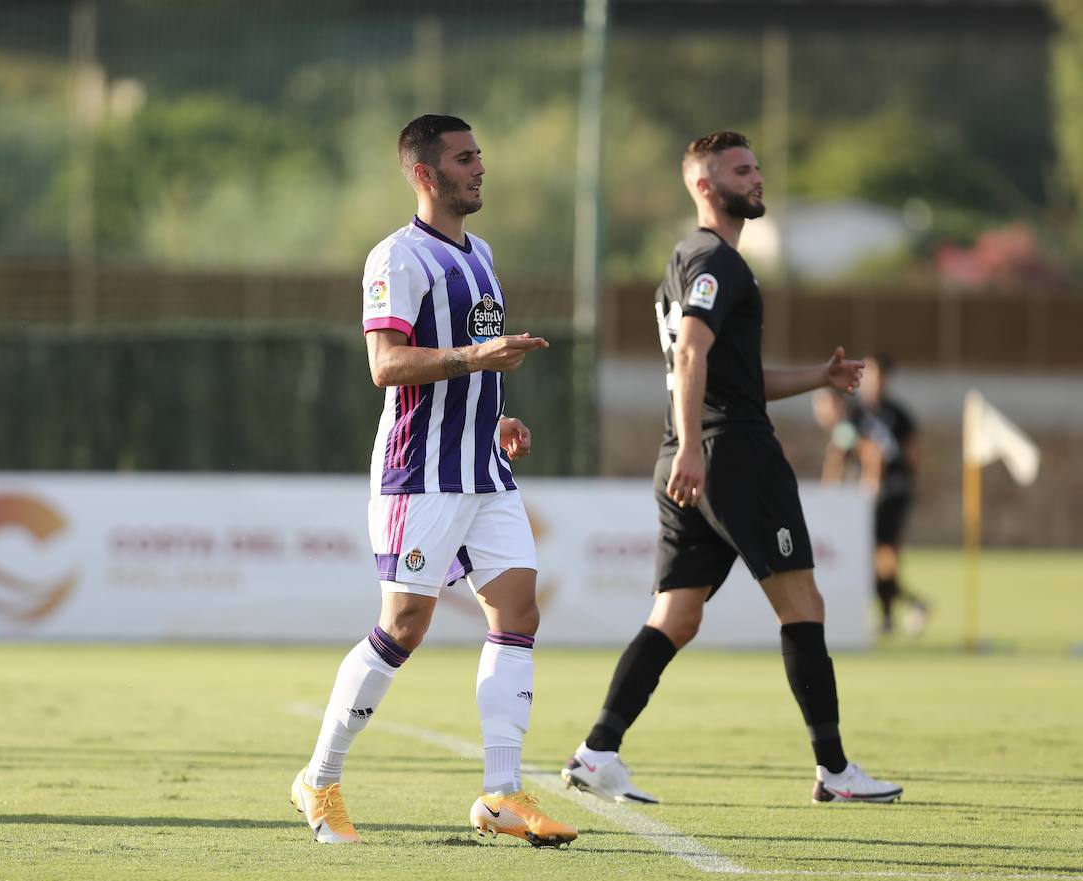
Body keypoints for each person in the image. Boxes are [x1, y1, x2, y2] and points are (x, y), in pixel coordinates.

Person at [559, 132, 903, 805]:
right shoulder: (717, 257)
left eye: (756, 167)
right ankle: (834, 771)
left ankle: (597, 751)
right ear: (703, 185)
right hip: (730, 455)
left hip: (689, 454)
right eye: (740, 170)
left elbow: (723, 371)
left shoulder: (687, 260)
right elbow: (690, 354)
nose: (757, 177)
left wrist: (819, 377)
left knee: (677, 615)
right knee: (803, 604)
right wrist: (695, 445)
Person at [290, 115, 576, 847]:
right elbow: (386, 365)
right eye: (464, 158)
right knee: (404, 626)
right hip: (420, 473)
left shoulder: (480, 253)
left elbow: (473, 363)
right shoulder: (396, 257)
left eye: (480, 154)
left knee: (518, 611)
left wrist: (499, 413)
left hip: (483, 467)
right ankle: (320, 780)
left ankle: (502, 794)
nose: (480, 167)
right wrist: (481, 358)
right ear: (425, 174)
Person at [850, 355, 929, 636]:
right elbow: (847, 447)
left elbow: (912, 452)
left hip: (893, 490)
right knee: (870, 555)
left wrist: (909, 483)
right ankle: (908, 605)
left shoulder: (899, 414)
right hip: (864, 493)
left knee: (885, 552)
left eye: (880, 376)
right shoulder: (856, 413)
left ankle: (891, 612)